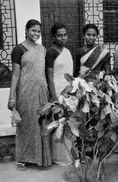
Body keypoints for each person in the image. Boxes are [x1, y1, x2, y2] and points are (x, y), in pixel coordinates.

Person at [7, 19, 52, 170]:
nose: (36, 34)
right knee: (25, 125)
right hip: (25, 93)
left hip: (41, 91)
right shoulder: (18, 49)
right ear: (26, 31)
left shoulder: (43, 49)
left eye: (38, 31)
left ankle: (42, 158)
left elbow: (44, 72)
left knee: (41, 124)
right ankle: (22, 158)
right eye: (33, 30)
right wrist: (11, 97)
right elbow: (15, 75)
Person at [46, 22, 73, 166]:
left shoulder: (67, 51)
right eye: (59, 35)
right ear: (53, 37)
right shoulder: (51, 52)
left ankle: (68, 155)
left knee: (68, 123)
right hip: (57, 90)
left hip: (68, 91)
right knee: (58, 123)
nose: (63, 38)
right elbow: (49, 76)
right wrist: (54, 96)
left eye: (65, 35)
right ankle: (59, 157)